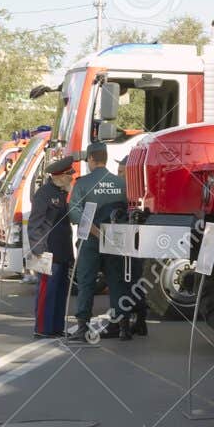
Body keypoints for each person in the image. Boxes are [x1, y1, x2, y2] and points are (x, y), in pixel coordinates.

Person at [66, 143, 134, 341]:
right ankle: (121, 327)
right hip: (116, 239)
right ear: (104, 158)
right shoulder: (121, 183)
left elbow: (74, 212)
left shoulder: (83, 183)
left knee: (87, 282)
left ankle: (82, 328)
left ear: (91, 160)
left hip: (90, 240)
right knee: (117, 281)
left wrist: (95, 231)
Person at [29, 158, 77, 338]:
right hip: (46, 251)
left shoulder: (63, 193)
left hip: (62, 251)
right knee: (46, 293)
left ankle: (56, 327)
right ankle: (42, 329)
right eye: (69, 176)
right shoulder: (44, 193)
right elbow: (35, 224)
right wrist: (38, 251)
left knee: (60, 292)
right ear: (61, 176)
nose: (71, 179)